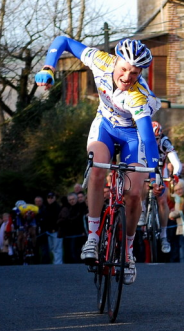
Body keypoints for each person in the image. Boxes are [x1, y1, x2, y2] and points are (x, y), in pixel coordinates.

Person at [35, 36, 161, 285]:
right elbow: (64, 41)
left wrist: (153, 172)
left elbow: (147, 136)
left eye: (134, 73)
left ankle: (127, 251)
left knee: (134, 193)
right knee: (97, 169)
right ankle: (93, 237)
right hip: (104, 125)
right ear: (116, 62)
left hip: (132, 135)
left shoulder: (138, 96)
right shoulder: (100, 60)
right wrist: (49, 66)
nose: (127, 77)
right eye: (124, 69)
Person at [149, 121, 182, 254]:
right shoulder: (140, 140)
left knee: (162, 200)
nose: (155, 142)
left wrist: (176, 174)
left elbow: (176, 162)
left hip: (160, 172)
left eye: (156, 139)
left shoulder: (164, 142)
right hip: (144, 171)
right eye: (152, 139)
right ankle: (143, 208)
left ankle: (163, 235)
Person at [44, 192, 63, 264]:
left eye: (51, 197)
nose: (50, 199)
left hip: (57, 231)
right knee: (52, 248)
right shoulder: (46, 207)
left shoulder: (58, 207)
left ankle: (58, 263)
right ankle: (55, 261)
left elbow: (59, 219)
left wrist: (56, 228)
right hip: (48, 231)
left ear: (54, 198)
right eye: (48, 197)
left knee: (57, 248)